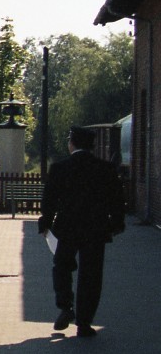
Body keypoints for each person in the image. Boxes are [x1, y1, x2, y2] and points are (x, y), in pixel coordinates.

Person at [38, 126, 126, 337]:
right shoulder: (105, 169)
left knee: (61, 266)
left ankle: (65, 306)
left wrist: (46, 223)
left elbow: (49, 200)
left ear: (72, 144)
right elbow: (117, 200)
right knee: (91, 275)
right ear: (92, 146)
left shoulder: (59, 168)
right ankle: (84, 323)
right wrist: (116, 224)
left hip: (66, 228)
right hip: (96, 229)